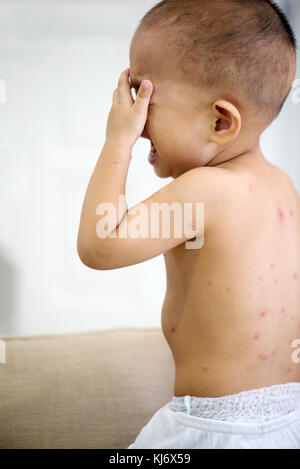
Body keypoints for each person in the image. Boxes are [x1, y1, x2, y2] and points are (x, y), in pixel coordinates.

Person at [77, 0, 300, 449]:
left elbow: (100, 245)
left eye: (143, 100)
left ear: (220, 121)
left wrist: (115, 139)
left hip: (217, 429)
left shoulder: (206, 191)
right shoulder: (284, 188)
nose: (136, 125)